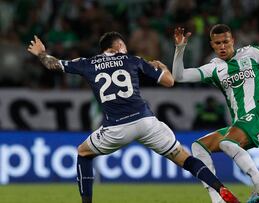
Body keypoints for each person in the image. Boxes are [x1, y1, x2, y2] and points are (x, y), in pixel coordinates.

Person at [27, 32, 240, 203]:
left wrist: (41, 53)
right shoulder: (132, 60)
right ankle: (220, 188)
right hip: (146, 122)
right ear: (119, 46)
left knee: (83, 153)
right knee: (185, 159)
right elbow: (169, 82)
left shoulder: (87, 63)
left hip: (116, 128)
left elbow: (53, 64)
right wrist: (163, 67)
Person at [172, 24, 259, 203]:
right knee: (198, 147)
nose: (222, 46)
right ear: (212, 45)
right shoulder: (214, 69)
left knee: (227, 143)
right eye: (218, 43)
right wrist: (180, 48)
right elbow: (179, 77)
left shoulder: (251, 53)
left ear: (232, 40)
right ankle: (218, 199)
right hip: (240, 124)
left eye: (225, 42)